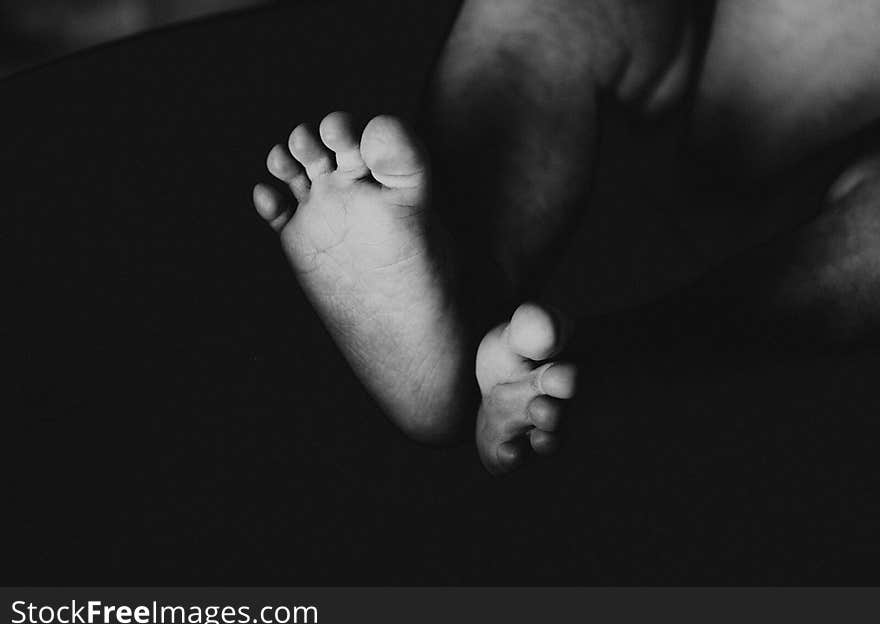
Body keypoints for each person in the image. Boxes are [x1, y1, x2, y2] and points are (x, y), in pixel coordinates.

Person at [253, 0, 880, 475]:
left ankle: (595, 365)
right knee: (541, 24)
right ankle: (461, 297)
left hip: (848, 159)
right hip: (689, 42)